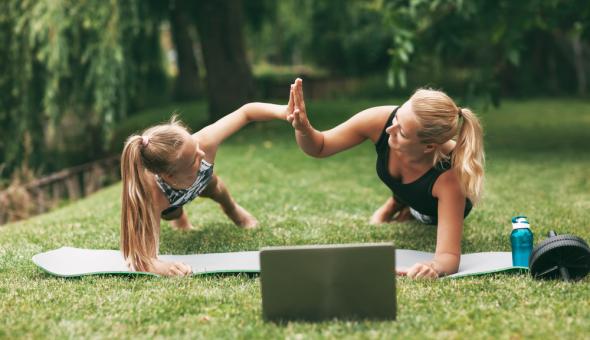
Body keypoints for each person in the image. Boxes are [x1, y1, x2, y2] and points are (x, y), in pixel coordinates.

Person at [286, 78, 484, 279]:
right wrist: (304, 128)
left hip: (429, 208)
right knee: (405, 189)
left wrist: (433, 267)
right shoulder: (382, 120)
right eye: (397, 118)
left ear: (429, 147)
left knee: (421, 216)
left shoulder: (449, 179)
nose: (390, 129)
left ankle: (401, 205)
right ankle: (396, 203)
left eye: (403, 132)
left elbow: (448, 257)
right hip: (406, 188)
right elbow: (320, 146)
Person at [120, 101, 293, 276]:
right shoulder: (153, 196)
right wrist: (164, 268)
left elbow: (247, 112)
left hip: (204, 182)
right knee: (173, 212)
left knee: (215, 187)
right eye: (194, 159)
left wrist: (284, 112)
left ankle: (232, 209)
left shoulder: (204, 141)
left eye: (196, 147)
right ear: (169, 175)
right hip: (171, 202)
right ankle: (180, 219)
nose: (202, 154)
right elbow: (141, 258)